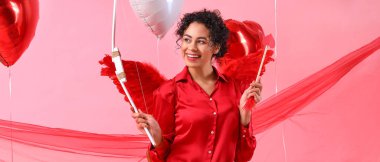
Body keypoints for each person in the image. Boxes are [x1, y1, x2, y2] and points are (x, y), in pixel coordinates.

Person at [132, 9, 262, 162]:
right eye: (187, 40)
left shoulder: (235, 89)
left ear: (216, 47)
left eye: (201, 41)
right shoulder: (167, 92)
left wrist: (245, 118)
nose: (191, 47)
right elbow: (157, 159)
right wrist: (157, 139)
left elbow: (243, 156)